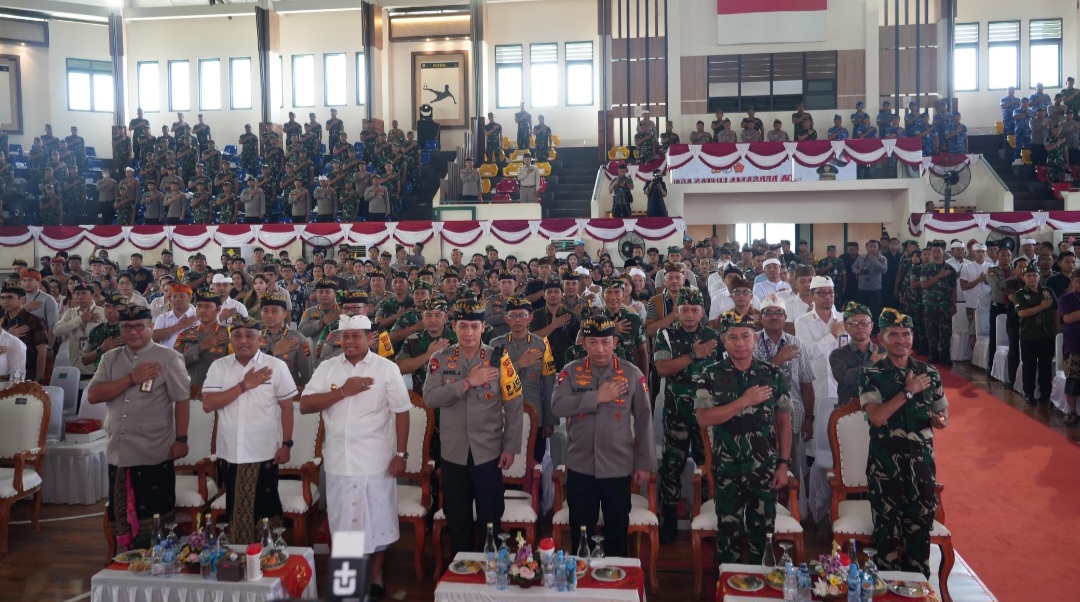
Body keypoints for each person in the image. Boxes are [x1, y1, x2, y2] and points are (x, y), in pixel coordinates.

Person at [300, 313, 410, 599]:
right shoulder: (327, 368)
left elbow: (401, 411)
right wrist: (343, 393)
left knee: (378, 522)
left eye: (356, 336)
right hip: (339, 461)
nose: (350, 341)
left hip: (376, 461)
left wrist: (401, 453)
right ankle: (347, 585)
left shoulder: (387, 368)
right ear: (338, 338)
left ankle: (375, 575)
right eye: (345, 336)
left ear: (369, 338)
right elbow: (306, 405)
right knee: (344, 524)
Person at [422, 299, 523, 555]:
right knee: (458, 518)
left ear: (483, 327)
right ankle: (462, 570)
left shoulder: (500, 359)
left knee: (491, 516)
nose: (468, 333)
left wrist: (510, 447)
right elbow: (430, 399)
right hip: (453, 452)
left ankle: (493, 569)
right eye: (463, 326)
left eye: (474, 327)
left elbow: (514, 403)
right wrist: (467, 382)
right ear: (453, 326)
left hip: (488, 452)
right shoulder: (440, 359)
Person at [550, 317, 655, 557]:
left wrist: (644, 463)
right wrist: (596, 396)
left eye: (605, 342)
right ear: (584, 343)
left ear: (615, 342)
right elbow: (557, 406)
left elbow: (644, 421)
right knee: (581, 536)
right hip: (581, 467)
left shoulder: (630, 373)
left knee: (617, 535)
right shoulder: (571, 372)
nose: (599, 348)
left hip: (617, 468)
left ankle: (616, 588)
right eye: (593, 342)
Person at [88, 306, 190, 550]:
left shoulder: (169, 357)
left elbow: (182, 400)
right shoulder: (110, 358)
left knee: (156, 517)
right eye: (126, 327)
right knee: (122, 514)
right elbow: (93, 395)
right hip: (119, 449)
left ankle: (159, 560)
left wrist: (182, 439)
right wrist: (131, 379)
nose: (133, 332)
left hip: (153, 448)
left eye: (139, 326)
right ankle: (126, 559)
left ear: (150, 328)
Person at [694, 311, 792, 564]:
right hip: (726, 467)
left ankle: (764, 587)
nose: (740, 343)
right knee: (729, 536)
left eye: (745, 337)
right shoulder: (710, 374)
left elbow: (784, 421)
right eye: (733, 337)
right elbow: (704, 418)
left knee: (764, 534)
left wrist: (783, 464)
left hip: (764, 468)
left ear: (755, 338)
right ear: (724, 340)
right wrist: (744, 401)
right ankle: (730, 586)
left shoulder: (773, 374)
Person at [859, 308, 949, 576]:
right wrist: (908, 393)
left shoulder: (929, 373)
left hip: (921, 468)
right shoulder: (872, 374)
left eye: (906, 334)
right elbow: (877, 417)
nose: (901, 340)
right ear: (881, 338)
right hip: (885, 469)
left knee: (919, 539)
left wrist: (940, 420)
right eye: (893, 334)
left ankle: (918, 590)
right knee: (886, 541)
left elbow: (942, 412)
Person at [202, 315, 298, 544]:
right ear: (230, 338)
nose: (243, 340)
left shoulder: (275, 366)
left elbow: (287, 408)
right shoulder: (220, 366)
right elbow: (208, 404)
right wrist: (244, 385)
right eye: (237, 335)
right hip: (231, 453)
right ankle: (240, 558)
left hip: (264, 453)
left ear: (261, 339)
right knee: (236, 509)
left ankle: (268, 558)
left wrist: (287, 444)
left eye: (250, 335)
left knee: (266, 510)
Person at [652, 288, 721, 542]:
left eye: (695, 310)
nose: (690, 315)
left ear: (702, 311)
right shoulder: (666, 334)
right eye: (684, 310)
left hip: (706, 417)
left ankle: (706, 521)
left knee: (707, 469)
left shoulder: (714, 336)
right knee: (672, 467)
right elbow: (661, 369)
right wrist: (693, 355)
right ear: (677, 311)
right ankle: (669, 523)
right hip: (676, 414)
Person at [754, 294, 814, 515]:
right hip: (759, 418)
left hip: (794, 416)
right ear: (760, 318)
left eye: (778, 313)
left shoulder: (797, 343)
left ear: (785, 318)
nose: (774, 317)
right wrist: (780, 358)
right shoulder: (751, 341)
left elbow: (806, 383)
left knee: (792, 467)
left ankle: (793, 513)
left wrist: (810, 417)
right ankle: (763, 512)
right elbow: (753, 377)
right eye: (768, 313)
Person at [490, 295, 556, 479]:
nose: (518, 320)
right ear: (506, 318)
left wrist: (549, 420)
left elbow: (549, 383)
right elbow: (491, 378)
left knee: (535, 467)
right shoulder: (496, 345)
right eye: (513, 315)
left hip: (536, 415)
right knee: (502, 468)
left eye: (522, 315)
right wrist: (520, 364)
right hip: (503, 415)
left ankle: (537, 505)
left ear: (530, 317)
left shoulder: (542, 344)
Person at [1013, 265, 1058, 406]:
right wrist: (1041, 307)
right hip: (1029, 336)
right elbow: (1022, 313)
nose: (1032, 278)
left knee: (1046, 366)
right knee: (1029, 367)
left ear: (1039, 277)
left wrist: (1057, 329)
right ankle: (1029, 394)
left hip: (1047, 336)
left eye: (1034, 275)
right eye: (1028, 276)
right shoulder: (1020, 294)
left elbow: (1055, 310)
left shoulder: (1047, 291)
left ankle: (1046, 394)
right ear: (1023, 278)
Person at [174, 290, 231, 393]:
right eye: (199, 306)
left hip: (219, 393)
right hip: (190, 393)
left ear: (218, 309)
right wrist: (201, 347)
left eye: (207, 306)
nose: (202, 310)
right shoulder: (185, 334)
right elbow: (175, 363)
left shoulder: (228, 334)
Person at [259, 292, 313, 388]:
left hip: (289, 396)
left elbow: (307, 378)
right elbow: (251, 371)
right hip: (260, 394)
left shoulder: (299, 340)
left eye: (275, 311)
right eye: (265, 311)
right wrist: (274, 352)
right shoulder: (254, 339)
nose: (269, 315)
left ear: (284, 313)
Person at [54, 283, 105, 379]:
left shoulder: (102, 312)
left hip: (95, 366)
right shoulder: (70, 313)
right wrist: (80, 319)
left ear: (93, 295)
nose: (80, 297)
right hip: (74, 365)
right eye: (77, 293)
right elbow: (57, 331)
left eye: (84, 293)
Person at [918, 242, 957, 364]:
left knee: (946, 330)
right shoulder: (925, 268)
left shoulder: (950, 269)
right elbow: (924, 285)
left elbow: (953, 289)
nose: (935, 254)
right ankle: (933, 353)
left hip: (945, 305)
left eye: (938, 251)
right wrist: (938, 276)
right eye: (932, 252)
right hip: (929, 304)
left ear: (943, 251)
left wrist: (953, 304)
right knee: (931, 330)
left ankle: (945, 354)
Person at [0, 285, 48, 384]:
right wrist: (8, 335)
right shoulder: (2, 321)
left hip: (27, 374)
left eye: (10, 297)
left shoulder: (34, 320)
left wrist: (38, 379)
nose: (5, 301)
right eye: (3, 297)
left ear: (22, 299)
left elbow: (42, 352)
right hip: (3, 375)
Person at [1057, 270, 1080, 423]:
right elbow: (1068, 318)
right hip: (1074, 344)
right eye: (1078, 280)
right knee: (1073, 379)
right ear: (1072, 281)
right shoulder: (1066, 299)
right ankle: (1071, 411)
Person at [853, 240, 888, 330]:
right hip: (862, 288)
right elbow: (853, 267)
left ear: (878, 248)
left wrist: (875, 261)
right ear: (866, 247)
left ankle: (875, 330)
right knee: (861, 311)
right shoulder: (861, 257)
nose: (872, 248)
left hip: (875, 289)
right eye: (870, 246)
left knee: (875, 311)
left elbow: (884, 270)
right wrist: (858, 271)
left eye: (874, 247)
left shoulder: (882, 258)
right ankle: (862, 328)